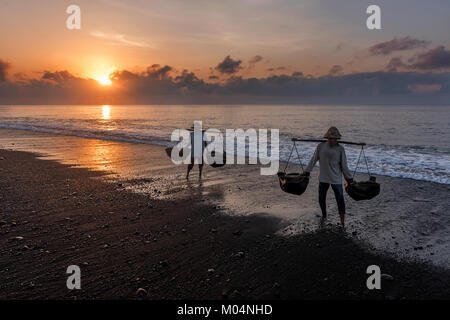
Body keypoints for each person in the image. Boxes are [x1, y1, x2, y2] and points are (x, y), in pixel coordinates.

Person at [303, 127, 354, 228]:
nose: (331, 140)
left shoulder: (340, 149)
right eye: (330, 138)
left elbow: (344, 165)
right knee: (321, 198)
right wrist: (306, 172)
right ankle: (324, 215)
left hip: (336, 179)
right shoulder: (321, 146)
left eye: (334, 138)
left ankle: (342, 222)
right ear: (327, 138)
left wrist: (349, 179)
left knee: (340, 199)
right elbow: (313, 160)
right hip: (323, 178)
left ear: (337, 139)